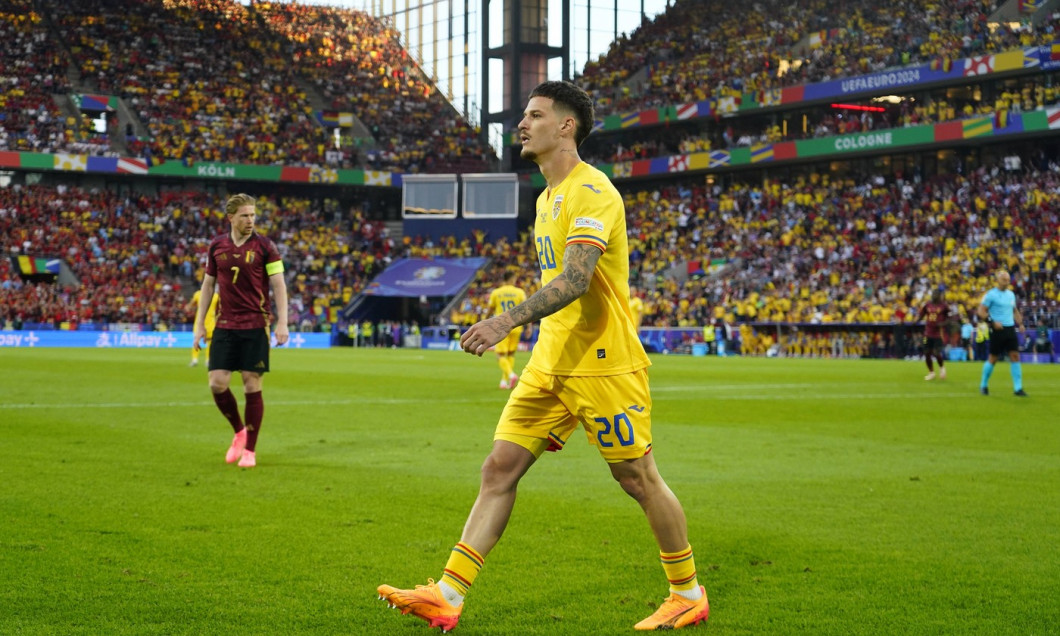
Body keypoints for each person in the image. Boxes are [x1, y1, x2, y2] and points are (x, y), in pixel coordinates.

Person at [377, 81, 709, 632]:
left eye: (534, 115)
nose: (521, 125)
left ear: (566, 126)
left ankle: (686, 592)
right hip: (550, 359)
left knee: (637, 477)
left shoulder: (593, 191)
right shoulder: (544, 198)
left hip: (603, 360)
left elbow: (578, 278)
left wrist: (506, 320)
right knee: (499, 467)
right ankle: (448, 594)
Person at [193, 193, 289, 468]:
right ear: (231, 217)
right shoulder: (216, 246)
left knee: (251, 382)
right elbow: (208, 286)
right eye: (245, 215)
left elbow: (279, 285)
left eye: (253, 215)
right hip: (224, 324)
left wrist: (282, 322)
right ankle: (239, 431)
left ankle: (251, 451)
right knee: (216, 382)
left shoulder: (265, 246)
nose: (250, 220)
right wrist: (200, 324)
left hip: (256, 324)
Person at [977, 270, 1026, 396]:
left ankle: (1018, 388)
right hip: (997, 330)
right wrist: (992, 322)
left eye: (1008, 279)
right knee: (993, 358)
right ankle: (983, 385)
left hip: (1010, 329)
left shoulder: (1011, 295)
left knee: (1015, 356)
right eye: (1004, 279)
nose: (1007, 282)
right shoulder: (990, 295)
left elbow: (1014, 310)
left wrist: (1020, 323)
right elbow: (981, 312)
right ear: (997, 280)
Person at [487, 270, 527, 389]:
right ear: (512, 279)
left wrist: (484, 321)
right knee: (510, 354)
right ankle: (504, 381)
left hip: (502, 326)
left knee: (500, 355)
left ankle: (510, 375)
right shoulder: (520, 292)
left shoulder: (496, 292)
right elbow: (526, 309)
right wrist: (529, 326)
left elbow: (490, 309)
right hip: (516, 326)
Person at [915, 289, 950, 380]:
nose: (934, 296)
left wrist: (943, 324)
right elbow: (921, 315)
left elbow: (949, 318)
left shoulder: (944, 306)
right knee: (926, 353)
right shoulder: (927, 304)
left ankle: (942, 368)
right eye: (933, 294)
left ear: (939, 296)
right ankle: (931, 373)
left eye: (936, 294)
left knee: (936, 352)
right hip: (927, 333)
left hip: (938, 334)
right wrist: (916, 321)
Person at [185, 288, 218, 367]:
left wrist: (189, 307)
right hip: (210, 321)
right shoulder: (216, 295)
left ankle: (195, 360)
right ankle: (208, 360)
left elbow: (189, 307)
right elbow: (219, 309)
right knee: (209, 342)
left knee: (197, 340)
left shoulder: (198, 294)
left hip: (200, 321)